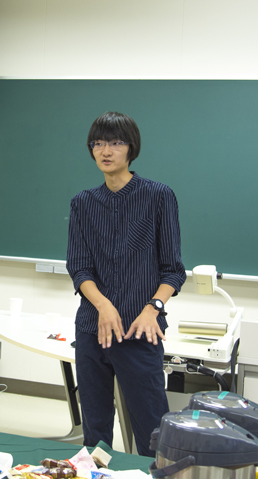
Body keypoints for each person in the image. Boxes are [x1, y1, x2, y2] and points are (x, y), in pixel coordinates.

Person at [66, 112, 186, 457]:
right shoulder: (83, 203)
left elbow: (173, 271)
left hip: (140, 328)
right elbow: (79, 267)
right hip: (93, 328)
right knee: (95, 432)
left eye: (116, 143)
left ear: (131, 148)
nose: (106, 151)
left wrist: (154, 309)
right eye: (98, 143)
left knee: (151, 430)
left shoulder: (158, 196)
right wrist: (103, 306)